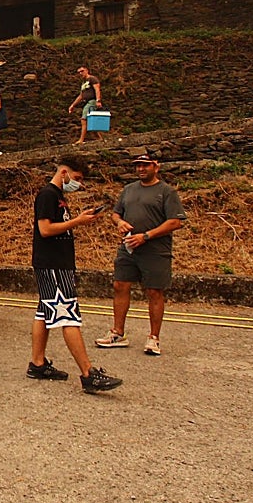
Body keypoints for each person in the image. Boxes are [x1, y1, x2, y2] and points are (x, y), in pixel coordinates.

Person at [26, 160, 122, 394]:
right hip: (53, 265)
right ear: (64, 172)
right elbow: (45, 229)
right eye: (77, 178)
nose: (78, 183)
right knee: (67, 314)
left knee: (44, 312)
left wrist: (77, 220)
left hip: (58, 264)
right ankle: (88, 374)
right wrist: (77, 221)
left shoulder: (58, 196)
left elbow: (58, 226)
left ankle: (38, 364)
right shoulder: (48, 195)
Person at [96, 151, 187, 356]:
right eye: (137, 165)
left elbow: (175, 221)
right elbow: (115, 213)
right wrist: (119, 223)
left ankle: (154, 338)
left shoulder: (166, 192)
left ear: (156, 167)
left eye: (145, 165)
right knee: (120, 285)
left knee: (154, 291)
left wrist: (146, 236)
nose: (140, 169)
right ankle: (118, 332)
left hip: (155, 250)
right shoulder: (128, 190)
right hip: (128, 247)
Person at [67, 66, 104, 145]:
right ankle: (101, 139)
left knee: (84, 119)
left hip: (92, 101)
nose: (81, 73)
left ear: (87, 70)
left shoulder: (92, 79)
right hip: (87, 101)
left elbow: (97, 89)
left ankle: (81, 140)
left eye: (82, 71)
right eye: (79, 72)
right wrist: (73, 105)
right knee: (91, 121)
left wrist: (98, 100)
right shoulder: (84, 83)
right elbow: (81, 96)